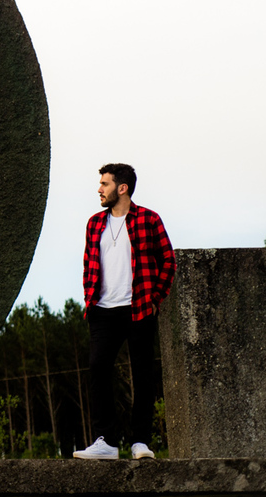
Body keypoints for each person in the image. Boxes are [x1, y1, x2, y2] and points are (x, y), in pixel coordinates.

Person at [73, 164, 174, 460]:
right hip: (103, 310)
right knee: (98, 369)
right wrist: (89, 299)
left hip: (138, 307)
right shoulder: (94, 223)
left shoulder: (148, 219)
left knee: (142, 375)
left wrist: (156, 297)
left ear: (122, 188)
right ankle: (105, 441)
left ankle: (140, 441)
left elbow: (168, 260)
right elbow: (88, 264)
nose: (99, 189)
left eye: (104, 184)